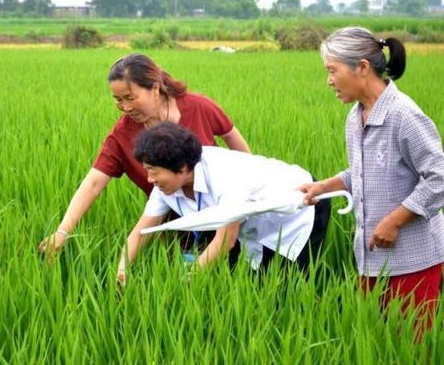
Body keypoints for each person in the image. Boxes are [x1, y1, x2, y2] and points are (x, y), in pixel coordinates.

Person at [300, 27, 444, 331]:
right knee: (376, 342)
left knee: (411, 347)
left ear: (362, 68)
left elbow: (438, 177)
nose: (329, 80)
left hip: (413, 260)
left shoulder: (403, 116)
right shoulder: (355, 117)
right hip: (370, 259)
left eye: (332, 71)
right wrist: (324, 186)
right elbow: (364, 172)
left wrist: (395, 221)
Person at [38, 53, 250, 257]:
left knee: (236, 270)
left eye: (130, 98)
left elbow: (234, 141)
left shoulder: (198, 107)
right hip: (173, 222)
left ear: (155, 88)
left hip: (223, 213)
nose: (125, 107)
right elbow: (94, 182)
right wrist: (62, 231)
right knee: (182, 278)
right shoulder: (123, 133)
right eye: (118, 100)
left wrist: (246, 193)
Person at [116, 122, 331, 285]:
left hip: (300, 204)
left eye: (154, 172)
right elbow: (142, 232)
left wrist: (184, 282)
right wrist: (123, 269)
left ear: (181, 168)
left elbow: (226, 240)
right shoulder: (165, 186)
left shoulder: (225, 175)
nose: (149, 179)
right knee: (249, 280)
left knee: (289, 284)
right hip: (254, 216)